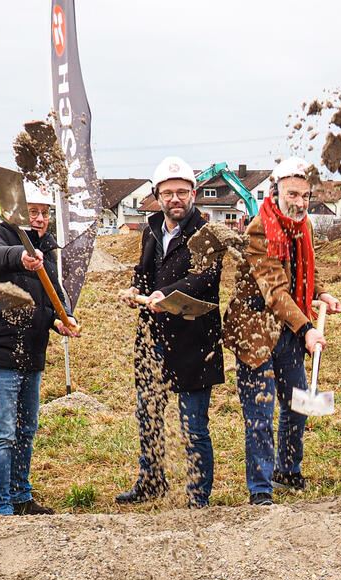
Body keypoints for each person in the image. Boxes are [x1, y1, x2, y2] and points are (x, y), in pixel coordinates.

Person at [224, 157, 341, 506]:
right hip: (256, 333)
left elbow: (306, 268)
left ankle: (287, 471)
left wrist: (321, 293)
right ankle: (260, 490)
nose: (300, 202)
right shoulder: (259, 230)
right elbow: (275, 291)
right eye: (293, 194)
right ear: (275, 192)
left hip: (288, 331)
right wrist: (307, 327)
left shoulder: (301, 226)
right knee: (260, 413)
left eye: (305, 195)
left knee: (298, 404)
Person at [116, 157, 225, 508]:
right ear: (157, 196)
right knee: (148, 415)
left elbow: (205, 277)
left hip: (195, 342)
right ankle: (151, 481)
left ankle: (197, 496)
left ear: (193, 193)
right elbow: (144, 272)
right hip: (152, 340)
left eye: (182, 192)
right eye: (168, 193)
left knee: (193, 426)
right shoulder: (150, 231)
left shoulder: (206, 233)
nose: (175, 199)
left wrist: (168, 293)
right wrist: (136, 290)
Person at [0, 181, 79, 516]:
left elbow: (52, 299)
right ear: (15, 210)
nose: (41, 218)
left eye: (45, 212)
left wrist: (61, 319)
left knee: (26, 430)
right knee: (3, 432)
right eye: (33, 211)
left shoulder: (46, 250)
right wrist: (21, 256)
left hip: (30, 353)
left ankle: (20, 496)